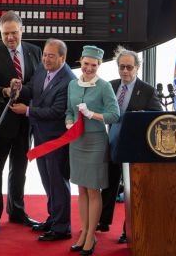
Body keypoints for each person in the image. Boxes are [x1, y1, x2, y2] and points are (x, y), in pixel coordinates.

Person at [0, 11, 42, 233]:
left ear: (21, 30)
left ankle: (17, 211)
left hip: (25, 120)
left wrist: (21, 91)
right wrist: (6, 91)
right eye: (5, 33)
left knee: (20, 168)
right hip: (0, 120)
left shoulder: (35, 52)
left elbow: (38, 83)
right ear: (0, 32)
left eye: (14, 33)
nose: (10, 38)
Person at [97, 47, 162, 244]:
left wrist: (137, 117)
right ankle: (102, 221)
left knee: (133, 191)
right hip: (112, 143)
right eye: (121, 67)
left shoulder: (148, 91)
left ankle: (129, 230)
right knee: (108, 184)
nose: (125, 71)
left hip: (136, 148)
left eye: (129, 67)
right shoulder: (110, 85)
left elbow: (157, 117)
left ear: (138, 68)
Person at [16, 39, 76, 242]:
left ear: (62, 57)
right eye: (44, 55)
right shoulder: (42, 69)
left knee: (58, 183)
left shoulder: (69, 80)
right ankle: (54, 218)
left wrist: (28, 111)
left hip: (56, 140)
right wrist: (18, 88)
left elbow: (57, 111)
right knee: (48, 181)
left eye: (51, 56)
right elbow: (32, 88)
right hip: (40, 136)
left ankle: (62, 228)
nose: (46, 59)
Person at [65, 45, 120, 255]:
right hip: (77, 142)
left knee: (93, 189)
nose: (89, 68)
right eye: (86, 64)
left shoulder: (104, 87)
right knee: (80, 189)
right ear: (80, 61)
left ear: (99, 66)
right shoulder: (72, 85)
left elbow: (114, 115)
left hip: (96, 142)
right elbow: (68, 111)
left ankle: (91, 235)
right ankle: (84, 230)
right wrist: (69, 122)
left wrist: (92, 114)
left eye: (93, 65)